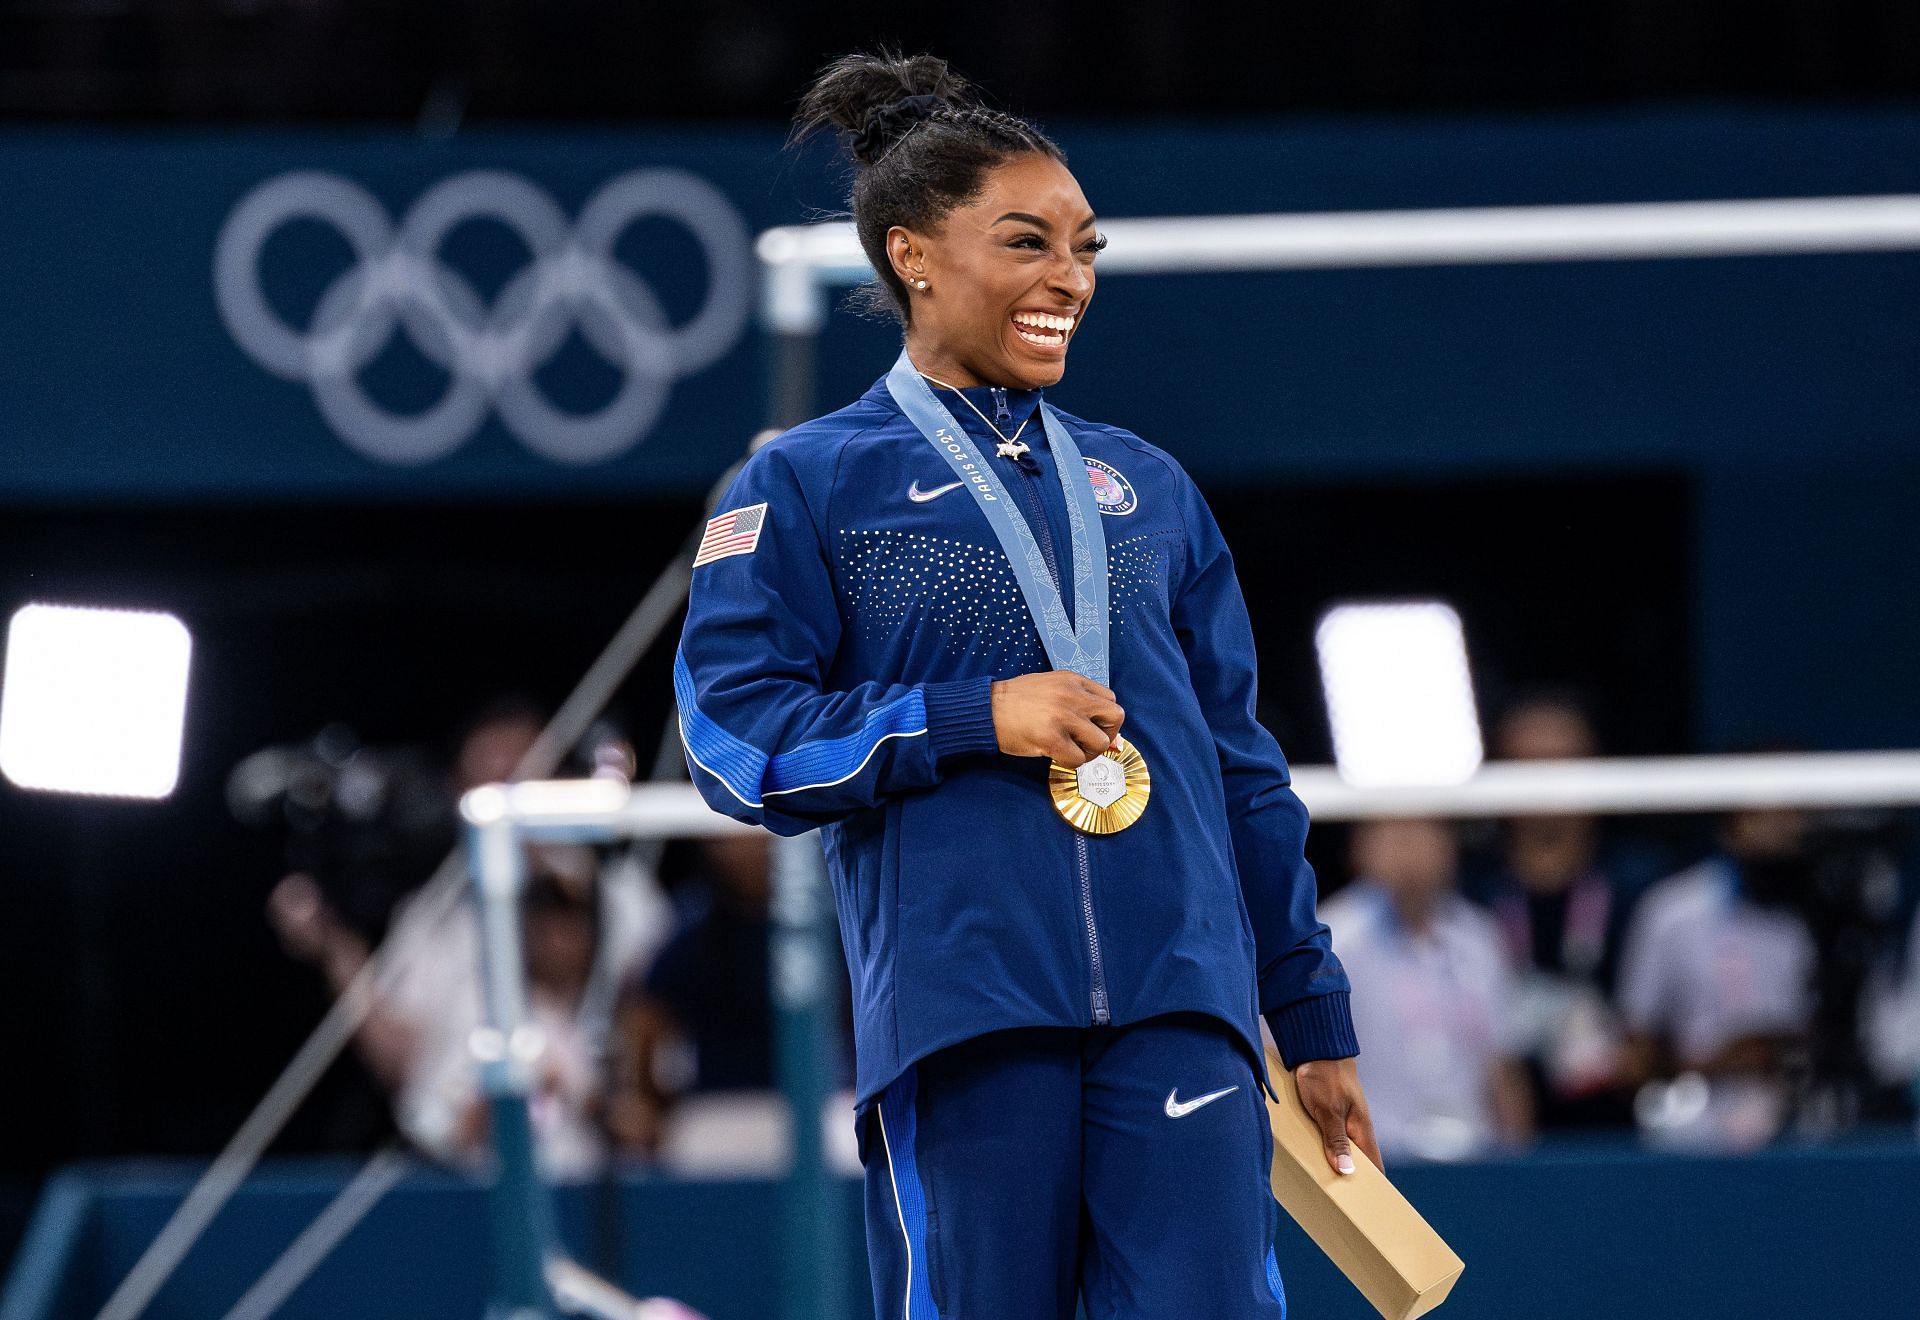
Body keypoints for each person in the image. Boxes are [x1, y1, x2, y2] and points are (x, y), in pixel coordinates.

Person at [673, 50, 1372, 1319]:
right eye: (1028, 242)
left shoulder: (1148, 487)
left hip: (1182, 1006)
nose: (1070, 279)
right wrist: (969, 718)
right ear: (912, 255)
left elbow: (1241, 771)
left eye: (1085, 249)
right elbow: (732, 736)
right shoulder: (808, 486)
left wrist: (1308, 1010)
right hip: (966, 1021)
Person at [1464, 689, 1669, 1126]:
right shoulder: (1469, 897)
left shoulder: (1645, 889)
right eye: (1528, 768)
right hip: (1495, 1137)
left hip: (1625, 1134)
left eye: (1563, 765)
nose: (1547, 785)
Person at [1323, 818, 1534, 1161]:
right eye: (1394, 833)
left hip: (1474, 1157)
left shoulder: (1479, 937)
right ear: (1360, 847)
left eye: (1424, 831)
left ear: (1450, 846)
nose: (1409, 849)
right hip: (1374, 1162)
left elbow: (1503, 1067)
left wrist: (1519, 1167)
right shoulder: (1333, 941)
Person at [1614, 804, 1819, 1150]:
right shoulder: (1672, 912)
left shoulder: (1819, 913)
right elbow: (1632, 1058)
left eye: (1795, 812)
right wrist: (1718, 1061)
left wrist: (1785, 1049)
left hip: (1800, 1139)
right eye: (1766, 811)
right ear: (1730, 826)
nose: (1783, 827)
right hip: (1690, 1142)